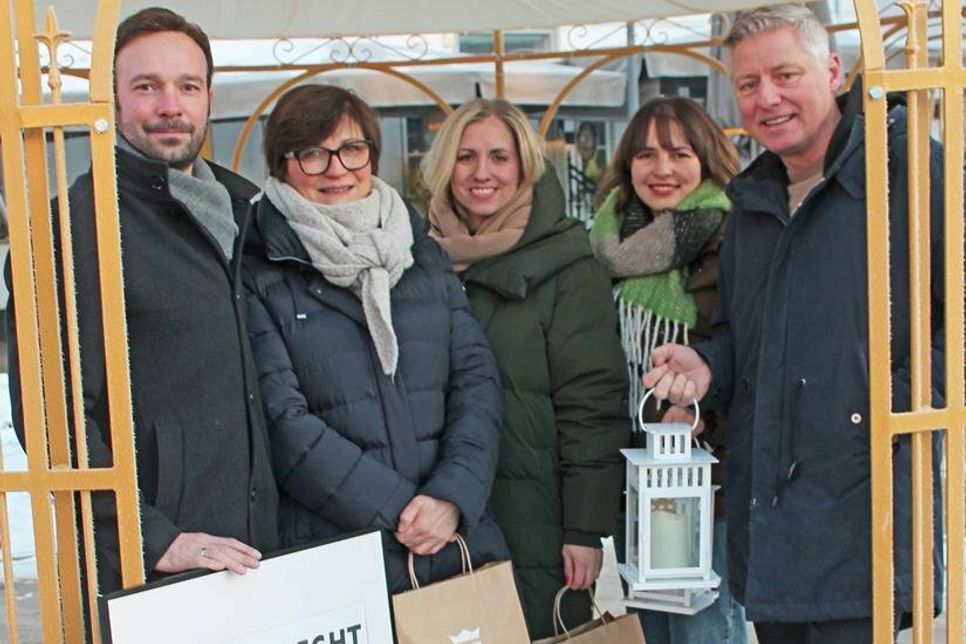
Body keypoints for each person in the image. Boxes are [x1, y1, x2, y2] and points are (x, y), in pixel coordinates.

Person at [643, 5, 945, 644]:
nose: (768, 98)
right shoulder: (751, 203)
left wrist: (886, 406)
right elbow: (740, 336)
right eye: (749, 84)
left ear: (832, 71)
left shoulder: (907, 169)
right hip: (772, 531)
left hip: (867, 518)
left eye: (785, 75)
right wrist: (707, 365)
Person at [5, 7, 279, 594]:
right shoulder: (72, 230)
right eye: (147, 86)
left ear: (209, 97)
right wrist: (152, 537)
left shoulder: (245, 212)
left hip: (260, 549)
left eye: (188, 86)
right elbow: (53, 417)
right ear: (111, 98)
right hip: (155, 570)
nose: (171, 106)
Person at [241, 84, 508, 592]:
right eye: (313, 154)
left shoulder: (420, 253)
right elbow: (281, 421)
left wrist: (452, 495)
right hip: (337, 558)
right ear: (282, 165)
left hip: (452, 543)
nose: (337, 169)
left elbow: (475, 381)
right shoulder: (260, 269)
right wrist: (404, 511)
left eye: (351, 149)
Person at [420, 98, 629, 638]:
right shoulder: (414, 259)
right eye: (465, 157)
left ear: (524, 166)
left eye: (499, 157)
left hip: (537, 521)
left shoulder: (568, 266)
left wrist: (585, 527)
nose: (481, 173)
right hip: (435, 520)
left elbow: (593, 404)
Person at [590, 96, 747, 644]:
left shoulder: (738, 238)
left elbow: (752, 353)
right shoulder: (603, 242)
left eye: (679, 153)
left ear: (706, 158)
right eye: (646, 154)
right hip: (630, 474)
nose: (661, 169)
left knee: (703, 628)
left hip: (707, 478)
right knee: (647, 627)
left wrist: (706, 415)